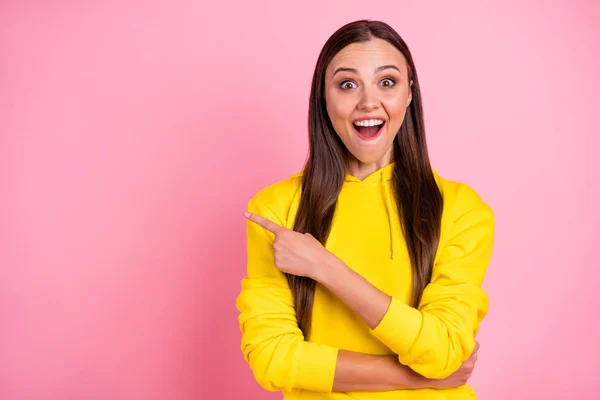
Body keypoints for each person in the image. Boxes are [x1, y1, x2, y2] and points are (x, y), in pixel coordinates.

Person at [235, 19, 495, 399]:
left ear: (409, 93)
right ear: (324, 98)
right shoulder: (275, 209)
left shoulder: (461, 210)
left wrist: (326, 268)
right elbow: (272, 358)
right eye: (347, 84)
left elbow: (443, 350)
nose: (368, 102)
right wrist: (422, 378)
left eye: (386, 82)